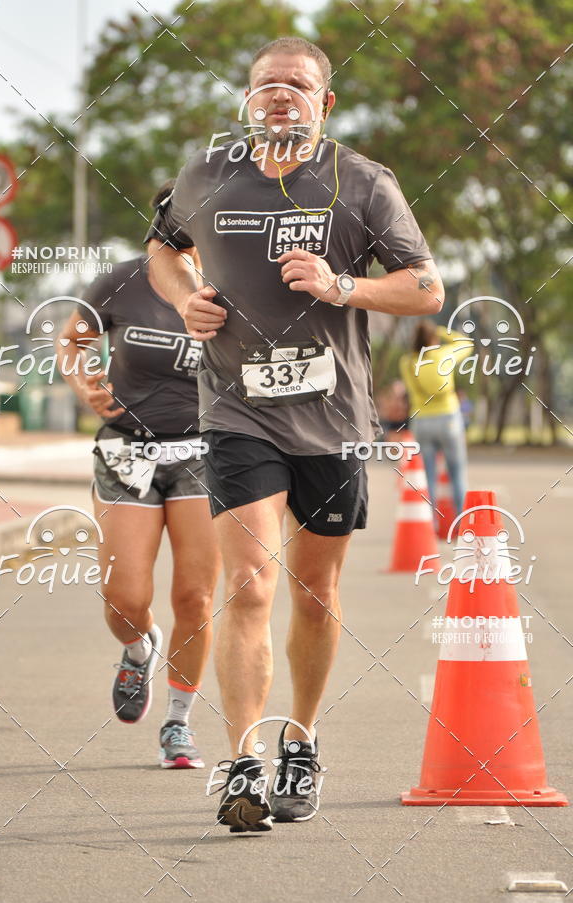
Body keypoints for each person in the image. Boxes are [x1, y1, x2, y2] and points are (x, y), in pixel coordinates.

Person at [146, 37, 444, 831]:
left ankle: (301, 742)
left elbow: (425, 285)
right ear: (247, 98)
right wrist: (183, 300)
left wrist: (343, 283)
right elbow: (162, 248)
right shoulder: (207, 175)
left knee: (315, 594)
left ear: (325, 103)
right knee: (249, 582)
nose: (280, 96)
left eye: (297, 87)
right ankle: (243, 757)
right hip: (237, 411)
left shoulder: (364, 183)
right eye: (265, 85)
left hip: (335, 417)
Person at [56, 180, 220, 769]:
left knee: (196, 596)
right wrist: (86, 385)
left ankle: (178, 723)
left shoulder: (236, 287)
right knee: (125, 596)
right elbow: (71, 341)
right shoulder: (121, 281)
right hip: (126, 451)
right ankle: (137, 647)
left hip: (206, 454)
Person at [399, 320, 469, 517]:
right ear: (433, 337)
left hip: (421, 420)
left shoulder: (407, 362)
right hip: (448, 419)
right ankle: (462, 523)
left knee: (427, 476)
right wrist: (440, 330)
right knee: (457, 473)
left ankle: (428, 524)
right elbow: (466, 343)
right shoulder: (444, 354)